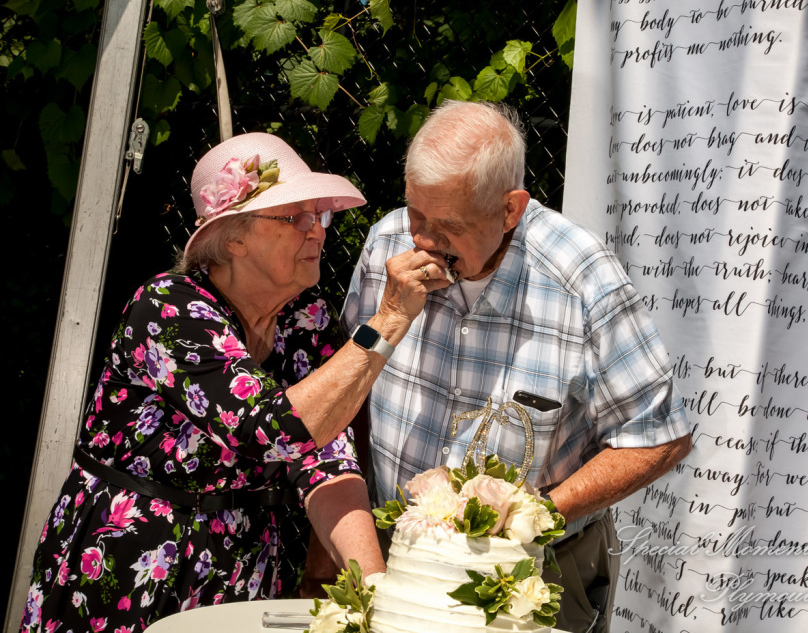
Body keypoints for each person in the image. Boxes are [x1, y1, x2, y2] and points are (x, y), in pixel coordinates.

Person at [20, 132, 448, 632]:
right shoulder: (169, 309)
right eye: (297, 218)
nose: (319, 232)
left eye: (321, 216)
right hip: (128, 559)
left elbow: (327, 458)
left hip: (238, 566)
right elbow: (268, 429)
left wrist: (377, 593)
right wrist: (391, 318)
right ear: (236, 237)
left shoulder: (303, 319)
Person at [341, 100, 693, 633]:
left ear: (511, 209)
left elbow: (659, 436)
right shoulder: (385, 245)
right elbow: (352, 396)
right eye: (416, 214)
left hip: (535, 575)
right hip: (397, 560)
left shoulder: (581, 276)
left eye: (449, 226)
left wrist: (533, 515)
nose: (423, 241)